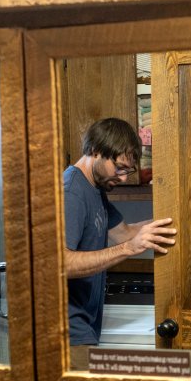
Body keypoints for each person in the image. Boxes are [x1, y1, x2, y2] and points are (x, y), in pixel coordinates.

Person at [63, 117, 176, 368]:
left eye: (129, 170)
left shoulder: (95, 189)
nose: (124, 178)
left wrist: (171, 224)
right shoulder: (71, 192)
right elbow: (61, 264)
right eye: (120, 168)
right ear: (96, 151)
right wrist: (129, 248)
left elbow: (124, 232)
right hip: (67, 334)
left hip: (84, 328)